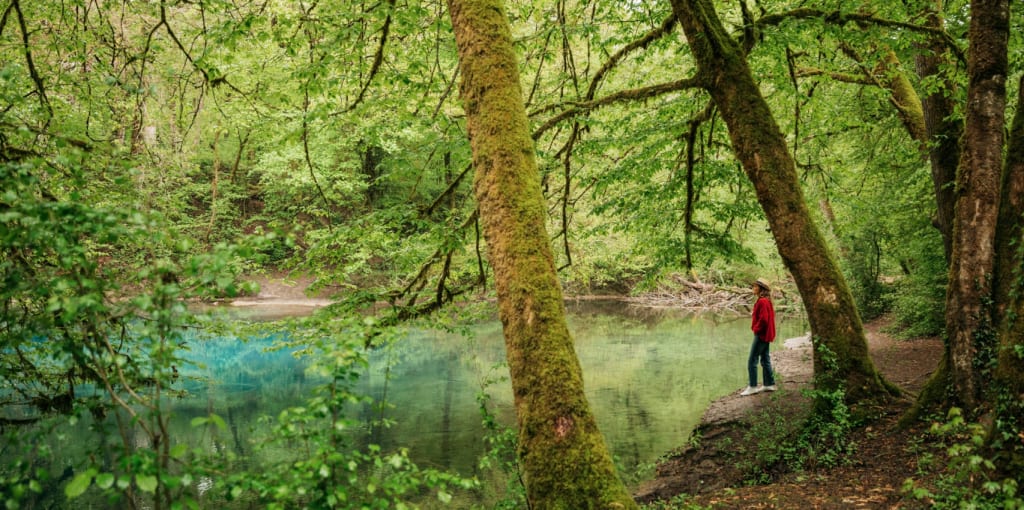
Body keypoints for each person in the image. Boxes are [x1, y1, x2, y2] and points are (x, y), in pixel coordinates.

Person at [740, 278, 777, 396]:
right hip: (765, 334)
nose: (753, 288)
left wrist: (756, 329)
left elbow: (764, 319)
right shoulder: (765, 300)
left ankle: (753, 386)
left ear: (761, 289)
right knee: (765, 359)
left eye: (756, 286)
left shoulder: (763, 301)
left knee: (752, 360)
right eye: (753, 286)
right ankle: (769, 384)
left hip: (761, 334)